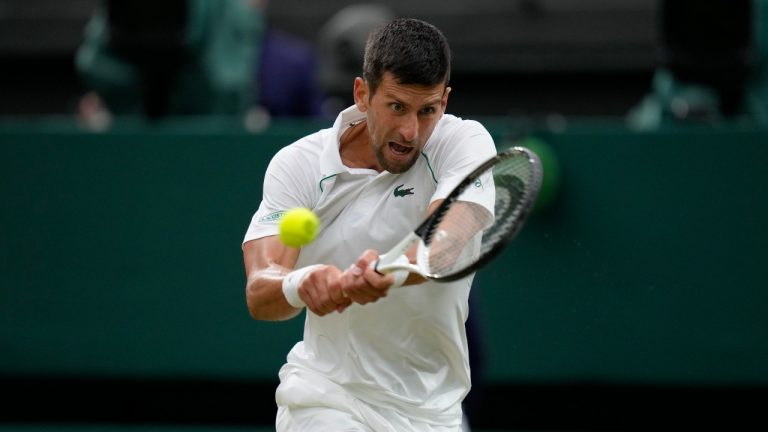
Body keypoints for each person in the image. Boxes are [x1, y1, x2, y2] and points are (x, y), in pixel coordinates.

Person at [242, 18, 497, 431]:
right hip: (326, 398)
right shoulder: (298, 165)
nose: (410, 131)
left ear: (445, 101)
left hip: (433, 413)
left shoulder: (465, 144)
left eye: (427, 110)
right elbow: (260, 291)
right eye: (396, 106)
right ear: (362, 94)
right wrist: (300, 282)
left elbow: (444, 241)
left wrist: (387, 271)